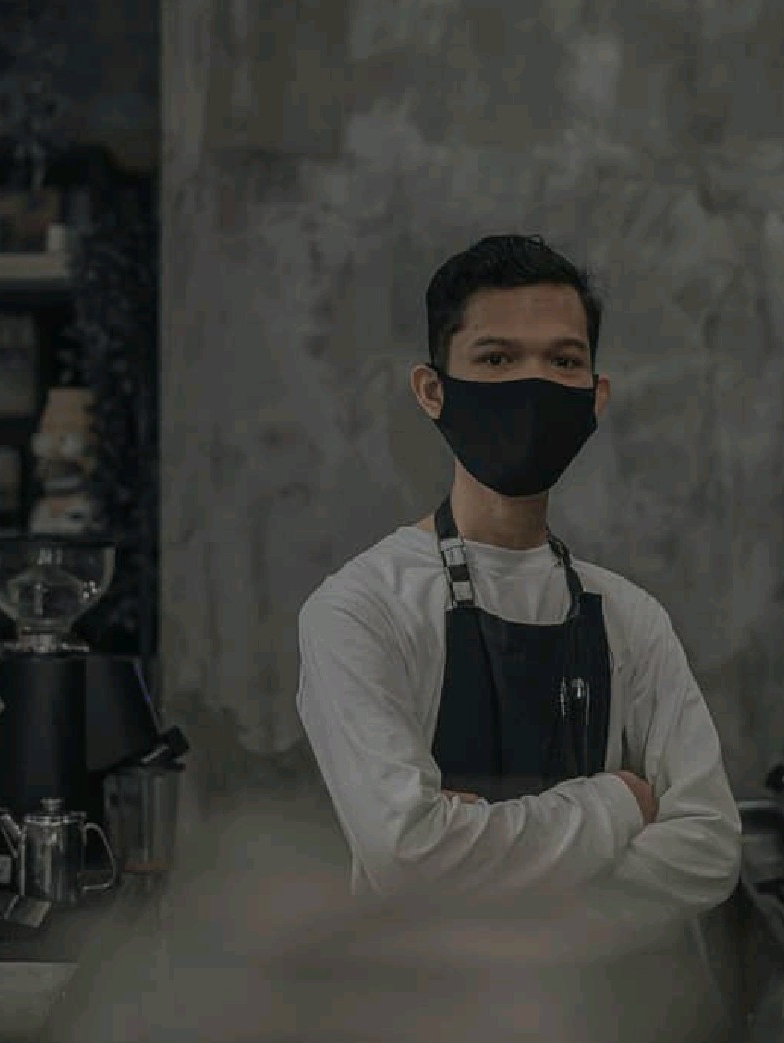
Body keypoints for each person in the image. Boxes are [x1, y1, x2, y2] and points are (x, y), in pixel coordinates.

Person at [296, 233, 740, 925]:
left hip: (599, 999)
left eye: (564, 361)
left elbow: (709, 850)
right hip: (412, 997)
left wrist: (482, 876)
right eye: (497, 358)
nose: (533, 385)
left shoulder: (630, 617)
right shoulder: (360, 609)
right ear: (433, 390)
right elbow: (408, 858)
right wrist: (620, 802)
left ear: (595, 398)